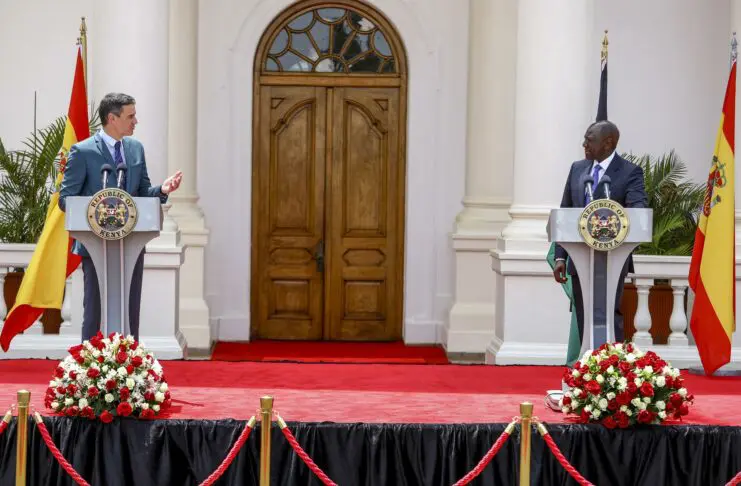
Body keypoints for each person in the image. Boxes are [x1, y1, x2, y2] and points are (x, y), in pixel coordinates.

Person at [59, 92, 183, 342]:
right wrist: (100, 209)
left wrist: (162, 190)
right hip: (95, 243)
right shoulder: (82, 152)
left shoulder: (135, 148)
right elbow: (66, 200)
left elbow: (142, 192)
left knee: (130, 307)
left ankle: (129, 365)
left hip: (131, 243)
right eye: (131, 116)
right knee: (94, 309)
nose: (135, 121)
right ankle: (90, 366)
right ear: (111, 118)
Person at [546, 120, 648, 409]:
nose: (584, 144)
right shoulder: (578, 170)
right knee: (584, 315)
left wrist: (622, 219)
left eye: (589, 139)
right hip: (580, 263)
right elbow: (565, 213)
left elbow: (638, 209)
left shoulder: (629, 172)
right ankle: (585, 380)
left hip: (613, 262)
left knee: (610, 315)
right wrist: (560, 257)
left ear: (609, 142)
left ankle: (611, 380)